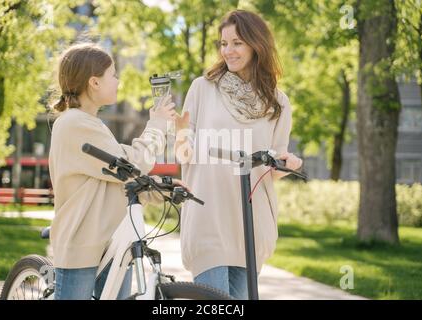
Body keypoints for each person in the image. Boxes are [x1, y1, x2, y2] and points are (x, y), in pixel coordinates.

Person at [175, 10, 303, 299]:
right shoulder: (202, 88)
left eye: (237, 43)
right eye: (224, 43)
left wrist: (287, 163)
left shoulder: (278, 102)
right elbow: (184, 152)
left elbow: (274, 162)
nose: (228, 51)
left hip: (250, 220)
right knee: (215, 303)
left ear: (256, 44)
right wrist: (180, 133)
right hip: (208, 213)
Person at [48, 43, 179, 300]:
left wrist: (164, 189)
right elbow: (134, 163)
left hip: (113, 244)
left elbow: (122, 178)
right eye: (113, 75)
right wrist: (157, 126)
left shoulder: (92, 123)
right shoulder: (74, 123)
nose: (118, 82)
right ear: (94, 82)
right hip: (83, 246)